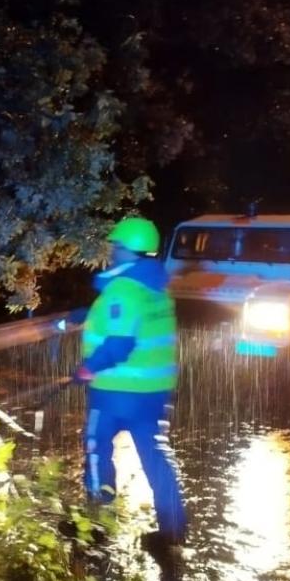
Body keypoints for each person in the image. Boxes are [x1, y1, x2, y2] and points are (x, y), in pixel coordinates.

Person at [75, 217, 187, 553]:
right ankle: (173, 530)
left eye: (115, 246)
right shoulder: (155, 287)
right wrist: (75, 317)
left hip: (116, 391)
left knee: (97, 447)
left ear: (127, 249)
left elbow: (120, 342)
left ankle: (96, 522)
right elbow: (116, 318)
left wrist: (88, 367)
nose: (111, 251)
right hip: (152, 393)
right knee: (155, 457)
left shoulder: (123, 288)